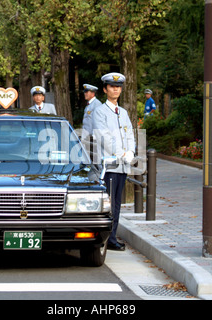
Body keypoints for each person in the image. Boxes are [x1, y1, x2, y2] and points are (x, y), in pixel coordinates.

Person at [92, 72, 135, 251]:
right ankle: (107, 237)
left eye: (118, 87)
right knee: (109, 204)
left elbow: (130, 134)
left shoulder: (123, 112)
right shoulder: (100, 112)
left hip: (122, 165)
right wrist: (120, 154)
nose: (116, 89)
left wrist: (131, 151)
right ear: (105, 89)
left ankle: (112, 236)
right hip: (109, 165)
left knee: (117, 203)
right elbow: (103, 137)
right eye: (112, 86)